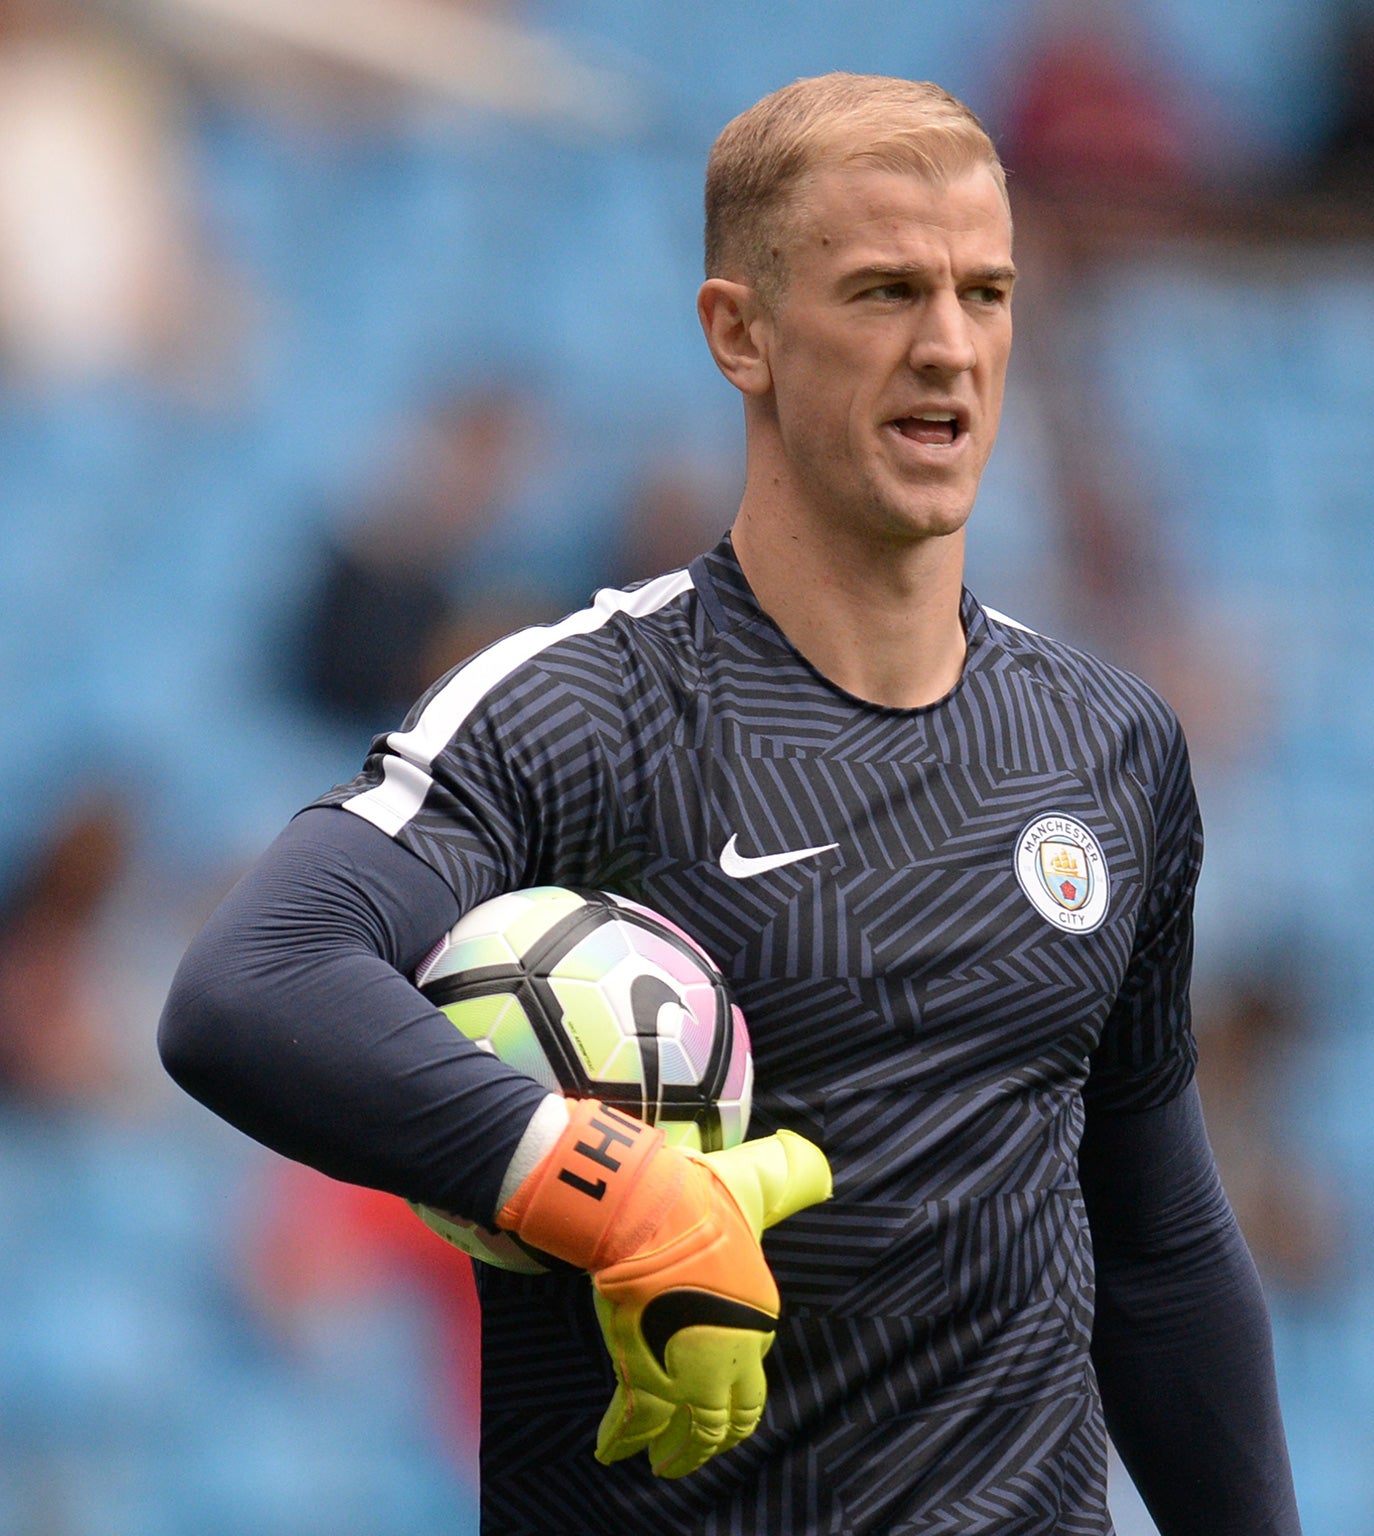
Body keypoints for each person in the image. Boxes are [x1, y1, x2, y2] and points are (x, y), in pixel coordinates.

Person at [159, 72, 1300, 1535]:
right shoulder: (578, 711)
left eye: (986, 291)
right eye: (885, 291)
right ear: (738, 332)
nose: (949, 348)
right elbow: (250, 989)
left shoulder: (1109, 745)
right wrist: (606, 1185)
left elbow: (1159, 1254)